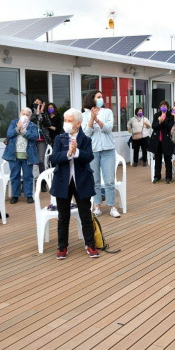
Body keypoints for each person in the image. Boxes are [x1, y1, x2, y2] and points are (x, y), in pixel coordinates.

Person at [50, 108, 99, 259]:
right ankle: (62, 246)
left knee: (85, 215)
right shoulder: (59, 139)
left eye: (70, 121)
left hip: (82, 181)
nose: (67, 124)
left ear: (78, 123)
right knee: (63, 216)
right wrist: (68, 154)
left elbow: (89, 157)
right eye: (65, 120)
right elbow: (54, 158)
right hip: (63, 181)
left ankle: (90, 244)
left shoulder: (86, 140)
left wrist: (76, 152)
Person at [82, 90, 121, 218]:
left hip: (108, 150)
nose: (101, 99)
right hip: (93, 151)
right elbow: (86, 133)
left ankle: (112, 206)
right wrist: (91, 118)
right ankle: (97, 206)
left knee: (109, 180)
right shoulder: (84, 115)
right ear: (92, 99)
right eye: (98, 97)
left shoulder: (107, 112)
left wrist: (97, 120)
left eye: (101, 97)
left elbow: (109, 128)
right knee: (95, 180)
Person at [3, 107, 39, 204]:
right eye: (23, 114)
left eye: (27, 115)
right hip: (13, 154)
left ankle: (28, 195)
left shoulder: (33, 126)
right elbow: (9, 134)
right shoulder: (13, 123)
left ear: (30, 117)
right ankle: (15, 195)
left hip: (28, 155)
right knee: (15, 176)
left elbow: (34, 137)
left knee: (28, 176)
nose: (25, 116)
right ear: (20, 115)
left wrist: (24, 132)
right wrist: (17, 129)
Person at [148, 100, 175, 183]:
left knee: (167, 159)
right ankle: (157, 176)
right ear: (160, 107)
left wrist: (163, 121)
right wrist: (159, 121)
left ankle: (168, 177)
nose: (163, 107)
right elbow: (154, 126)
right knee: (158, 160)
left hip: (166, 140)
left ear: (167, 107)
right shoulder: (156, 115)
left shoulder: (170, 116)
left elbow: (170, 126)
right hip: (157, 141)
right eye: (162, 106)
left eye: (165, 106)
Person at [30, 98, 51, 186]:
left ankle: (42, 182)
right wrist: (37, 114)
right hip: (31, 139)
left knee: (41, 161)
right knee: (29, 160)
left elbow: (48, 124)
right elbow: (29, 123)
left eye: (40, 103)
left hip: (41, 139)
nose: (38, 104)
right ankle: (28, 183)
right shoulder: (30, 112)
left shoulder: (44, 114)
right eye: (36, 102)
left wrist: (42, 113)